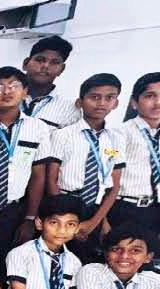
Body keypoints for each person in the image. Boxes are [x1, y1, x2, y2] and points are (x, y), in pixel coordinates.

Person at [45, 73, 125, 263]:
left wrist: (94, 222)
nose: (101, 103)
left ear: (115, 103)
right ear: (80, 102)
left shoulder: (117, 139)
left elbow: (114, 187)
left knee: (85, 263)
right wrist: (66, 219)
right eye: (94, 97)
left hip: (95, 210)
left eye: (109, 98)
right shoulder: (62, 135)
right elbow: (51, 180)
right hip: (64, 205)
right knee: (56, 259)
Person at [0, 67, 53, 255]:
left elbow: (38, 175)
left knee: (4, 259)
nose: (7, 92)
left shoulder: (38, 128)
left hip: (13, 210)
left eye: (14, 86)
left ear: (25, 92)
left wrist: (30, 218)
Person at [110, 72, 160, 240]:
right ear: (134, 102)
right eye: (150, 96)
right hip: (122, 207)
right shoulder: (119, 133)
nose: (159, 102)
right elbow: (105, 174)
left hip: (155, 206)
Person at [0, 36, 81, 128]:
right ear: (25, 63)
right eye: (40, 60)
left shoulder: (70, 110)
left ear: (61, 70)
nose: (45, 66)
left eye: (55, 62)